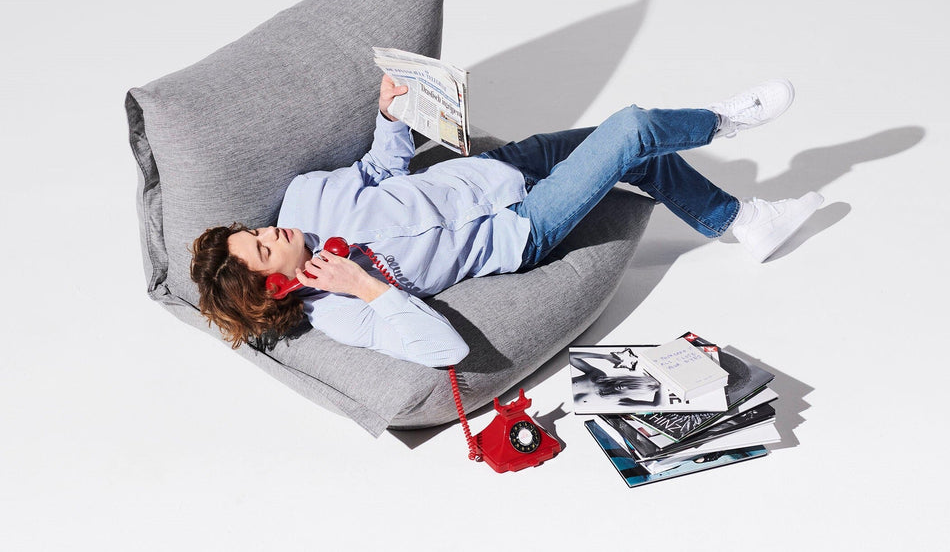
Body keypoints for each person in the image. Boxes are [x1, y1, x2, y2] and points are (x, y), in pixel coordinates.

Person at [190, 76, 823, 367]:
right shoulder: (341, 313)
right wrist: (366, 286)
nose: (271, 232)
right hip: (521, 228)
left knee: (641, 157)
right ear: (278, 286)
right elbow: (446, 351)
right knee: (632, 129)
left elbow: (379, 171)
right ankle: (723, 120)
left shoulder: (304, 198)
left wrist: (391, 116)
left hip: (498, 169)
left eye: (255, 231)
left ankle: (746, 220)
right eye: (264, 249)